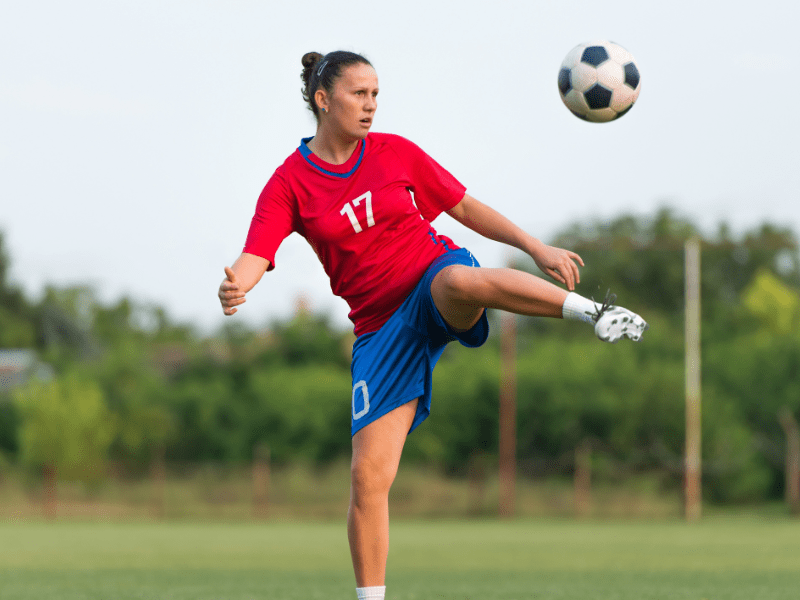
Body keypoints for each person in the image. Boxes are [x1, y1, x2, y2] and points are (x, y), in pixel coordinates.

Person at [218, 50, 647, 600]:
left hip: (430, 279)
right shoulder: (290, 182)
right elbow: (257, 252)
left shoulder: (394, 152)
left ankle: (596, 313)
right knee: (368, 479)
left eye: (376, 94)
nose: (371, 105)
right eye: (359, 94)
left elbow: (464, 208)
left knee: (458, 283)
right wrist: (239, 285)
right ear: (323, 100)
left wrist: (533, 246)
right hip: (379, 330)